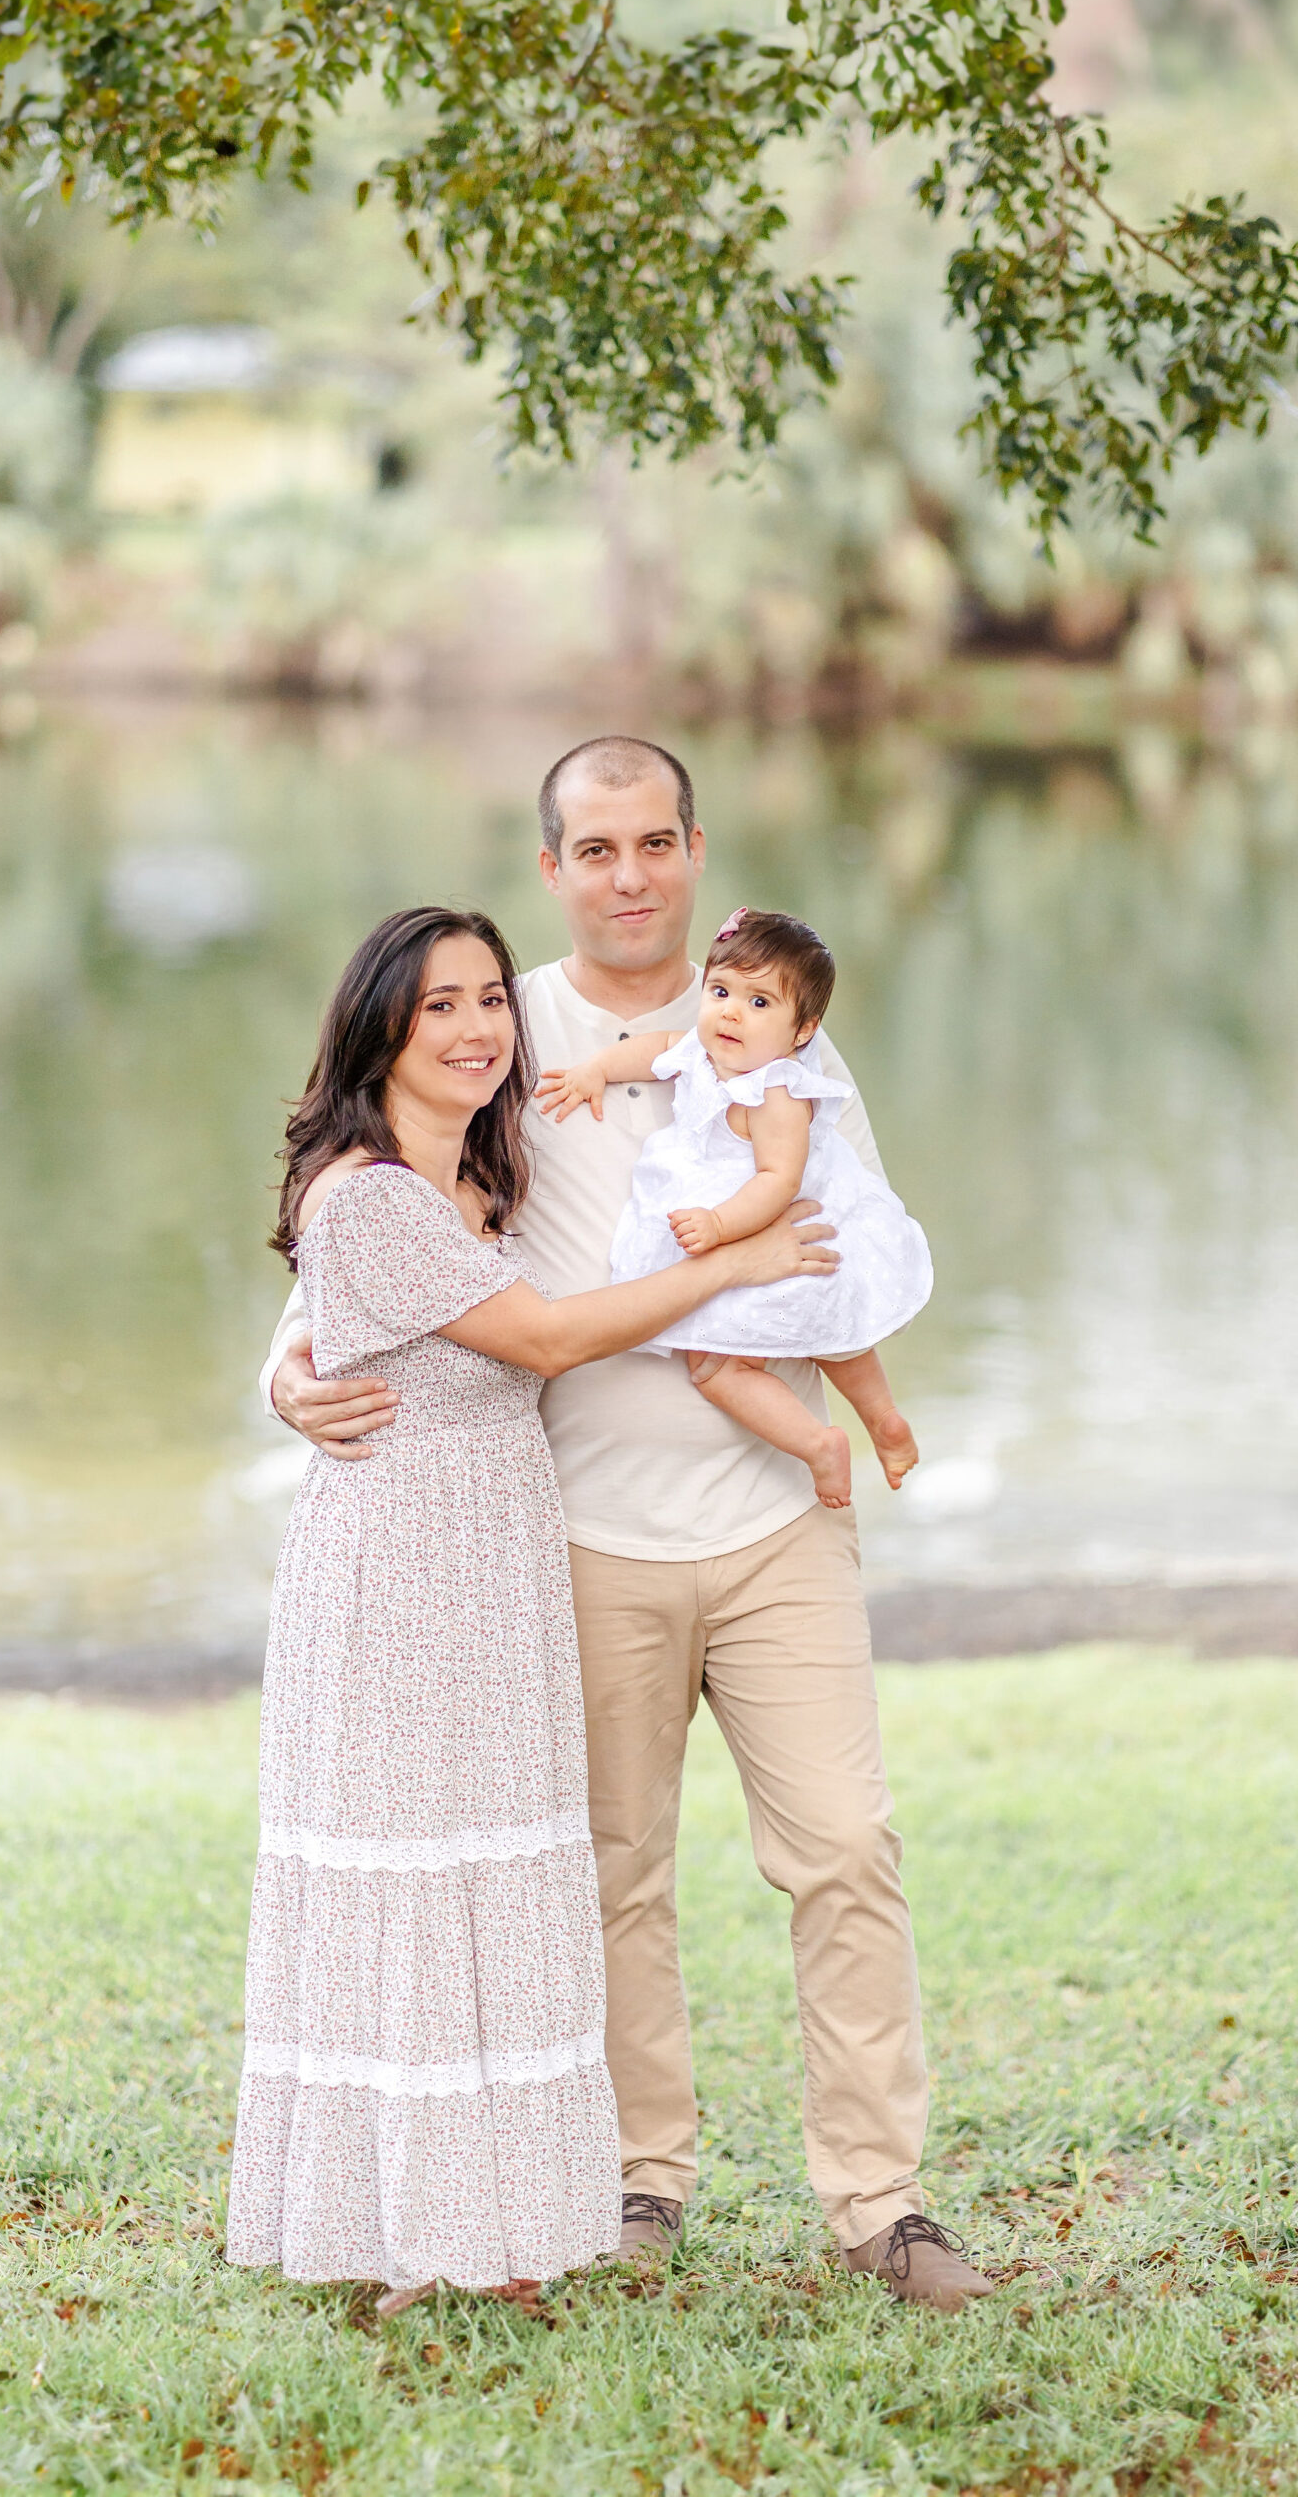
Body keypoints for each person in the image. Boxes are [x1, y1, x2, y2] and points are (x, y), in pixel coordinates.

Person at [265, 742, 994, 2312]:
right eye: (593, 849)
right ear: (552, 868)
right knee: (611, 1874)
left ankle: (878, 2203)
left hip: (774, 1521)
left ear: (692, 848)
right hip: (576, 1535)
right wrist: (284, 1368)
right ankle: (637, 2178)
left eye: (654, 842)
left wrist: (848, 1406)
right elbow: (369, 1222)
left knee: (846, 1853)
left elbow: (840, 1244)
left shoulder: (780, 1033)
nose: (629, 875)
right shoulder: (489, 1024)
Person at [226, 903, 838, 2312]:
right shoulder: (369, 1193)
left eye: (490, 1000)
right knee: (419, 1894)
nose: (473, 1028)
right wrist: (731, 1265)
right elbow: (548, 1339)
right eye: (437, 1003)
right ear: (379, 1020)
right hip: (400, 1579)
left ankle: (486, 2233)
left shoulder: (471, 1182)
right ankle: (407, 2242)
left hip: (496, 1570)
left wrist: (282, 1371)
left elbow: (339, 1329)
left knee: (495, 1886)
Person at [536, 903, 932, 1511]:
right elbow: (654, 1048)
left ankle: (826, 1442)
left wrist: (719, 1226)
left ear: (804, 1031)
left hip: (781, 1226)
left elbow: (779, 1179)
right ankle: (880, 1421)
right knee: (832, 1334)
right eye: (720, 990)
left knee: (726, 1367)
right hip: (753, 1234)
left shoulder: (775, 1089)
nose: (731, 1012)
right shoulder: (703, 1053)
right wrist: (596, 1069)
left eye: (759, 1002)